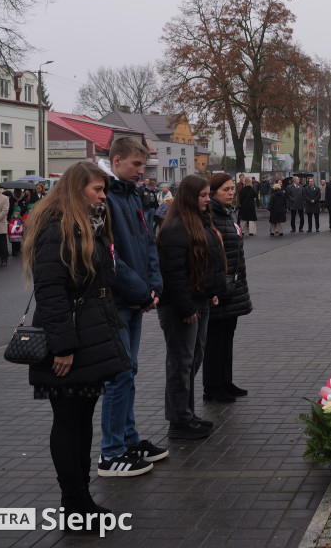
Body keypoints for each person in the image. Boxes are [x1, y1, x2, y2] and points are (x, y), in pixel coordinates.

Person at [24, 161, 131, 533]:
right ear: (75, 189)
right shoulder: (57, 229)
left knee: (82, 422)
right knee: (70, 422)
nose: (103, 196)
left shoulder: (88, 224)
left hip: (89, 337)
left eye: (104, 190)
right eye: (97, 190)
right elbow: (51, 293)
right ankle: (74, 507)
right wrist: (63, 347)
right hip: (69, 343)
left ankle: (82, 502)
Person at [98, 137, 166, 477]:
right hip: (117, 301)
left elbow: (148, 243)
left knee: (129, 371)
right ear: (117, 161)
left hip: (135, 298)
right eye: (136, 165)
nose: (142, 171)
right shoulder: (105, 198)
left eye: (143, 165)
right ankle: (111, 453)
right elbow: (110, 257)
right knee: (119, 375)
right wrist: (143, 291)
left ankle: (128, 439)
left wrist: (154, 286)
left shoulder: (133, 196)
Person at [157, 175, 226, 440]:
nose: (208, 200)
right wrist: (186, 309)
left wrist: (211, 292)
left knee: (193, 359)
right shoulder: (175, 228)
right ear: (189, 197)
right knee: (181, 363)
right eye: (203, 195)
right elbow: (174, 274)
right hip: (181, 306)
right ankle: (179, 420)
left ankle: (186, 413)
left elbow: (206, 263)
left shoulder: (198, 221)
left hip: (199, 299)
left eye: (208, 194)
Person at [203, 173, 253, 403]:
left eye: (232, 188)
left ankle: (225, 381)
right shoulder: (210, 216)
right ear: (213, 192)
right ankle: (213, 387)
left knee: (227, 337)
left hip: (232, 286)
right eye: (225, 189)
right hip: (219, 287)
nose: (231, 192)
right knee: (215, 340)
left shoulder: (227, 213)